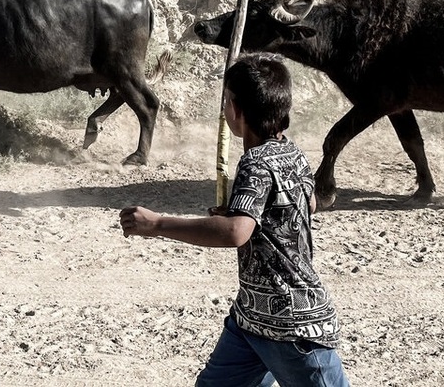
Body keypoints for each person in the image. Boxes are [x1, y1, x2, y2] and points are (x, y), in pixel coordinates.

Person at [120, 52, 349, 387]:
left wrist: (156, 225)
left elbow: (234, 233)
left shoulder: (254, 162)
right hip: (251, 319)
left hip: (290, 323)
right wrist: (250, 211)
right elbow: (305, 203)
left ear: (238, 112)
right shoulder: (294, 153)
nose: (223, 107)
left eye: (226, 100)